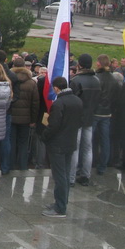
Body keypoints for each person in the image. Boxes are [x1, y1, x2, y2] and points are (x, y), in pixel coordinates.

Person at [41, 76, 83, 218]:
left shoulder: (59, 103)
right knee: (64, 174)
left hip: (58, 143)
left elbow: (54, 125)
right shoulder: (77, 100)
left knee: (59, 176)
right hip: (70, 142)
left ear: (56, 88)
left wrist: (44, 136)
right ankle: (61, 202)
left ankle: (60, 208)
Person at [69, 53, 101, 186]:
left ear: (79, 65)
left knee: (74, 149)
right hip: (90, 117)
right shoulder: (96, 80)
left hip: (77, 119)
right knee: (88, 148)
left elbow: (72, 101)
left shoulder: (76, 81)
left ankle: (70, 178)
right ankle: (85, 175)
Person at [10, 57, 39, 171]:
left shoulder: (10, 81)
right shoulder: (31, 83)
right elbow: (35, 103)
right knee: (23, 143)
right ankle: (22, 166)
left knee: (11, 142)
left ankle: (10, 165)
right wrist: (33, 119)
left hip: (11, 117)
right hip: (26, 119)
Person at [93, 53, 120, 175]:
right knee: (105, 140)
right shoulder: (114, 79)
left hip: (95, 112)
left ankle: (89, 163)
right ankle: (103, 166)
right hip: (107, 113)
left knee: (89, 140)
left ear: (99, 63)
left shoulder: (96, 77)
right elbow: (116, 98)